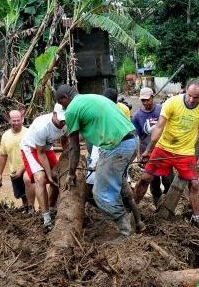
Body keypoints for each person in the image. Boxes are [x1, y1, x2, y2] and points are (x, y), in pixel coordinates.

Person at [56, 85, 138, 239]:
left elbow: (74, 148)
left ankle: (126, 231)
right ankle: (136, 221)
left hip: (116, 147)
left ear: (64, 98)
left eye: (61, 104)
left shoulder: (72, 109)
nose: (63, 106)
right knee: (117, 182)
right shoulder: (93, 97)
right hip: (132, 142)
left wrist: (71, 174)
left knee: (100, 194)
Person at [133, 79, 199, 232]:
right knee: (144, 179)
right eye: (189, 95)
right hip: (164, 148)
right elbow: (159, 127)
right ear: (185, 91)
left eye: (195, 97)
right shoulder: (172, 103)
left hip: (186, 152)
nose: (191, 99)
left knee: (194, 184)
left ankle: (197, 218)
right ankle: (131, 211)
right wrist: (148, 149)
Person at [20, 104, 67, 230]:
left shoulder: (67, 122)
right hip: (31, 148)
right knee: (41, 178)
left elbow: (65, 141)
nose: (63, 122)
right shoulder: (42, 126)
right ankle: (46, 217)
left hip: (47, 147)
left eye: (65, 120)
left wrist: (66, 159)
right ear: (54, 114)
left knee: (57, 174)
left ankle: (51, 208)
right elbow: (40, 154)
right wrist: (48, 174)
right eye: (61, 119)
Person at [132, 87, 172, 206]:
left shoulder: (162, 110)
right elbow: (138, 137)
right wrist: (139, 155)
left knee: (168, 179)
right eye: (143, 100)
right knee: (153, 182)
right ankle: (157, 204)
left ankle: (169, 205)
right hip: (148, 153)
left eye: (147, 100)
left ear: (152, 98)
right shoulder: (137, 116)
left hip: (164, 151)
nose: (145, 103)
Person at [0, 110, 34, 212]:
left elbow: (32, 154)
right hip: (14, 169)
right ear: (9, 121)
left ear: (22, 120)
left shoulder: (28, 133)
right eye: (14, 121)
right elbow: (3, 155)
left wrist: (21, 170)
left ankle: (31, 209)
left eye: (18, 120)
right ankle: (26, 208)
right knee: (21, 194)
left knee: (29, 184)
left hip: (29, 167)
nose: (16, 123)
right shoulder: (5, 136)